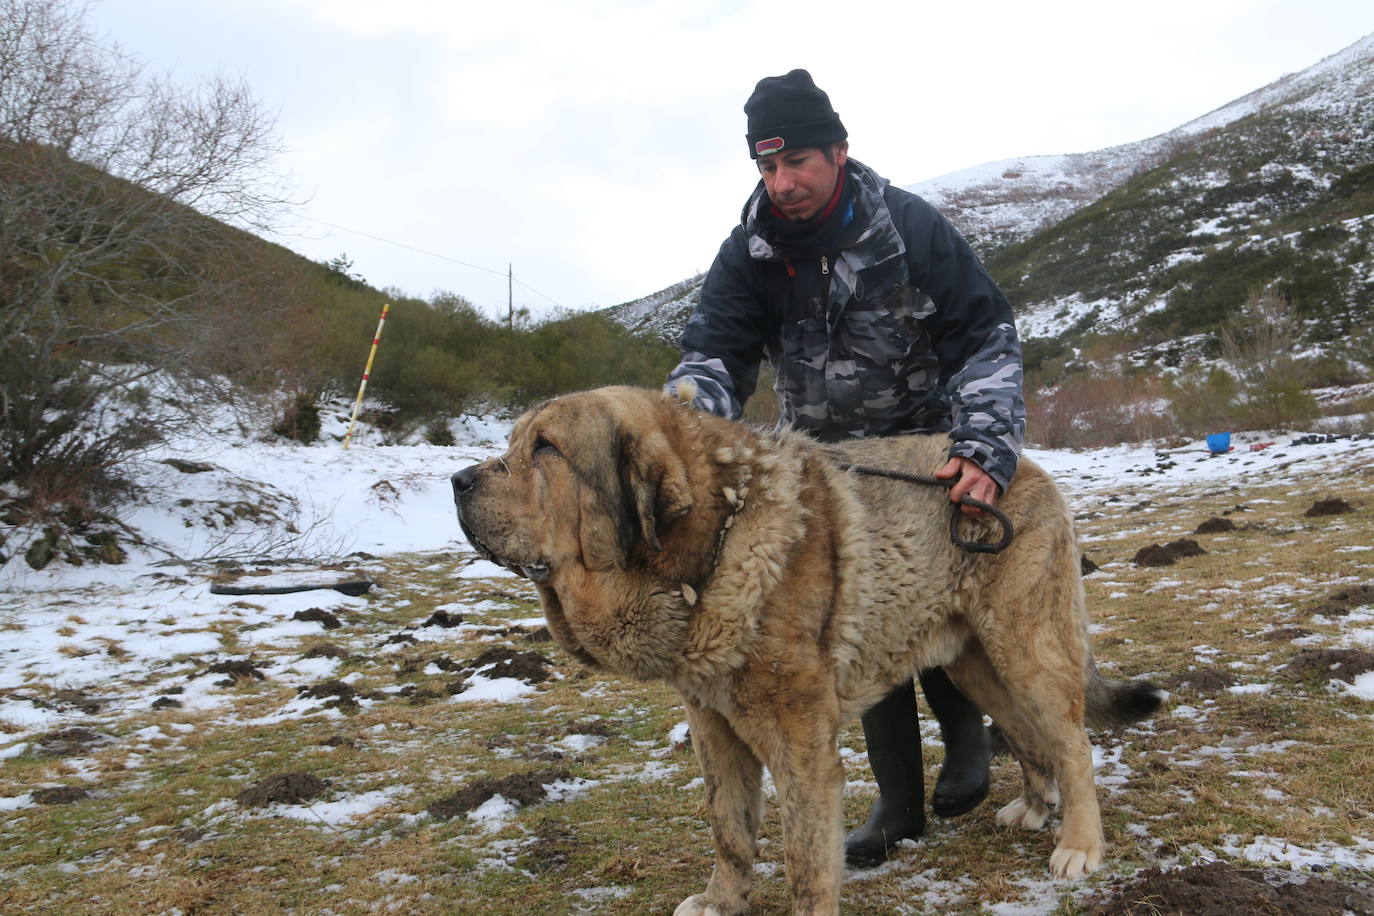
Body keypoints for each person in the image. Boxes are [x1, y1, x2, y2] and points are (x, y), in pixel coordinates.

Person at [664, 69, 1026, 868]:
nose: (783, 183)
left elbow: (985, 335)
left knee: (944, 615)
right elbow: (713, 354)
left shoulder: (910, 227)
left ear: (838, 151)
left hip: (926, 466)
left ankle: (968, 753)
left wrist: (985, 447)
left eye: (798, 162)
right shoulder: (752, 249)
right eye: (767, 167)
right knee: (851, 631)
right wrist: (679, 424)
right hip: (830, 476)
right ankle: (898, 803)